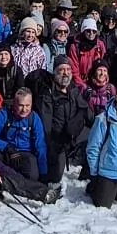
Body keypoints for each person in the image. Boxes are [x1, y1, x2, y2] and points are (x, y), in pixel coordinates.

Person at [0, 86, 54, 199]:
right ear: (14, 104)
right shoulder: (4, 114)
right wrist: (6, 147)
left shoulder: (34, 119)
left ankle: (11, 183)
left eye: (27, 105)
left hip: (25, 154)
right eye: (21, 105)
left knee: (33, 176)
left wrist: (44, 173)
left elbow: (40, 146)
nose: (24, 109)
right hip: (5, 151)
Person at [35, 57, 90, 186]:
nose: (65, 73)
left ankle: (87, 172)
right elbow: (46, 123)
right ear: (54, 72)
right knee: (55, 176)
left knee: (96, 138)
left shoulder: (74, 89)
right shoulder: (47, 93)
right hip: (57, 139)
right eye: (61, 70)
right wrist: (52, 145)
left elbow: (87, 112)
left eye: (68, 69)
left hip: (74, 134)